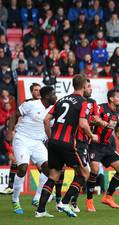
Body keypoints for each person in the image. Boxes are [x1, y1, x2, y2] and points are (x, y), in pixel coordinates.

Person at [36, 75, 98, 218]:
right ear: (83, 86)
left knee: (53, 176)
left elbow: (46, 120)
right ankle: (64, 202)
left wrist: (51, 137)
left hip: (53, 142)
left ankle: (40, 211)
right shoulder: (84, 102)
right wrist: (91, 135)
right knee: (84, 173)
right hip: (67, 143)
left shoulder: (61, 100)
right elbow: (83, 124)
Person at [5, 86, 56, 214]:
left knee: (49, 170)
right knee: (22, 168)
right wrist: (10, 132)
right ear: (47, 96)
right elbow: (13, 116)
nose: (55, 96)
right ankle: (15, 200)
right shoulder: (31, 104)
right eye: (53, 94)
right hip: (22, 139)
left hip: (38, 142)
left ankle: (37, 198)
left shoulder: (52, 109)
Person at [86, 89, 119, 212]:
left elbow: (118, 130)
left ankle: (108, 196)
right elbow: (88, 120)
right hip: (95, 145)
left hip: (108, 146)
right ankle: (89, 200)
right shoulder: (100, 108)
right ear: (111, 98)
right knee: (95, 170)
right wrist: (97, 123)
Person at [0, 83, 42, 195]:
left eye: (39, 90)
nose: (38, 92)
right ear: (31, 92)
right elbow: (16, 117)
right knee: (16, 161)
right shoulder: (27, 104)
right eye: (35, 90)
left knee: (41, 166)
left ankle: (46, 189)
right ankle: (10, 187)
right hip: (24, 137)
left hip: (38, 138)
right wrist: (13, 131)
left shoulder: (44, 104)